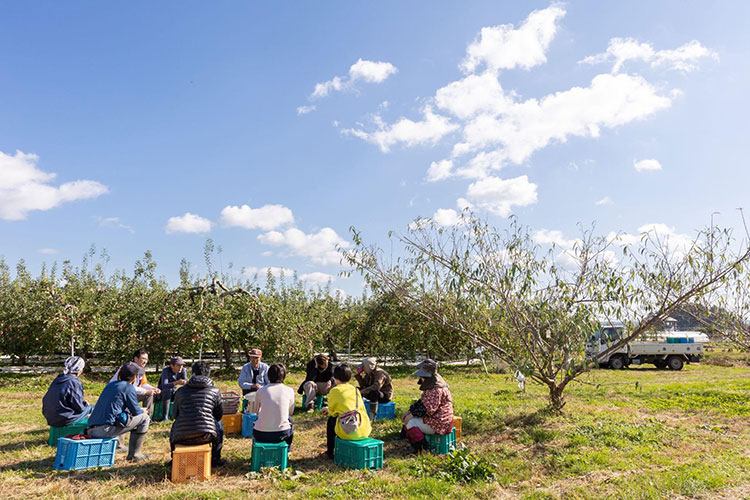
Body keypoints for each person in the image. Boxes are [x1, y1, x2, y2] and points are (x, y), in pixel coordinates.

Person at [87, 362, 151, 461]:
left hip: (91, 429)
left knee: (125, 417)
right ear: (134, 378)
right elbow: (136, 412)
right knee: (145, 418)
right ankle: (135, 455)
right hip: (105, 430)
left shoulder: (110, 385)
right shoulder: (128, 387)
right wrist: (143, 411)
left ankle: (123, 447)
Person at [169, 360, 226, 468]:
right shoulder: (215, 391)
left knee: (175, 425)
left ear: (193, 374)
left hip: (181, 436)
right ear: (208, 374)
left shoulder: (180, 391)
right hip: (206, 435)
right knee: (219, 424)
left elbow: (175, 415)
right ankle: (215, 458)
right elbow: (218, 415)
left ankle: (174, 458)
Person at [400, 359, 454, 452]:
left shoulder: (435, 389)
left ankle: (422, 448)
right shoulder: (432, 386)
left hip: (439, 422)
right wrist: (410, 412)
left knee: (410, 423)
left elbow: (428, 409)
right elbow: (422, 402)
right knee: (408, 420)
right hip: (437, 419)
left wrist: (411, 415)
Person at [321, 363, 371, 459]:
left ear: (335, 377)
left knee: (331, 421)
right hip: (363, 428)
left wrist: (326, 409)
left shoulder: (335, 390)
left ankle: (330, 452)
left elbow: (332, 412)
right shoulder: (355, 390)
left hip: (349, 430)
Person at [42, 356, 94, 427]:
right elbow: (79, 407)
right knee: (92, 408)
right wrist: (86, 405)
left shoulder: (58, 379)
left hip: (50, 417)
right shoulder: (74, 382)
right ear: (79, 370)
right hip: (63, 419)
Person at [253, 363, 295, 447]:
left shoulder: (261, 391)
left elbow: (256, 411)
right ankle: (287, 450)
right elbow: (290, 412)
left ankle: (257, 452)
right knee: (290, 420)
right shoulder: (289, 390)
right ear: (284, 376)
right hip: (281, 434)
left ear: (268, 376)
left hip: (261, 434)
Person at [109, 348, 160, 416]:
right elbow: (127, 387)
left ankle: (147, 418)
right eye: (143, 358)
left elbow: (143, 384)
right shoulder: (127, 369)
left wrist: (152, 389)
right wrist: (145, 391)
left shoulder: (141, 370)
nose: (145, 361)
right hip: (118, 396)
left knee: (149, 394)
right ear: (136, 359)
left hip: (130, 393)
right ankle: (137, 416)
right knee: (147, 393)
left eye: (146, 359)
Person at [155, 356, 187, 422]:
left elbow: (185, 381)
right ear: (172, 366)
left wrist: (186, 382)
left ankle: (181, 415)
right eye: (178, 365)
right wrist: (176, 383)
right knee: (167, 391)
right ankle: (165, 416)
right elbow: (164, 385)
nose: (180, 367)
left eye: (181, 365)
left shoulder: (183, 370)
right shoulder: (166, 371)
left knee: (184, 391)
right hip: (162, 393)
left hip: (174, 392)